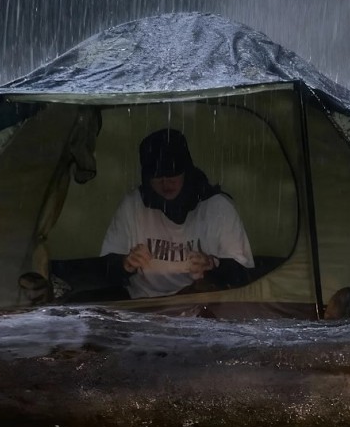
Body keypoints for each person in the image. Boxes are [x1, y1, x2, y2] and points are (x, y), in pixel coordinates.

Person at [100, 128, 254, 299]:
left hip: (200, 304)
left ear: (186, 171)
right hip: (143, 304)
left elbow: (242, 277)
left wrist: (212, 265)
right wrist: (125, 264)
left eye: (173, 174)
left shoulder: (217, 207)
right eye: (158, 176)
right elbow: (106, 270)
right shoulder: (133, 205)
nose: (166, 183)